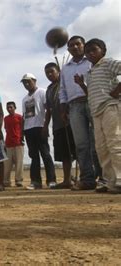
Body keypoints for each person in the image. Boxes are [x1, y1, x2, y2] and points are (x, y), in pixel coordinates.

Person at [59, 35, 103, 191]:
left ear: (84, 45)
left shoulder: (92, 62)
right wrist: (63, 108)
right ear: (68, 49)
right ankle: (87, 180)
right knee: (81, 144)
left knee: (98, 141)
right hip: (74, 106)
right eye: (71, 46)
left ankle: (104, 178)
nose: (75, 47)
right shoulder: (65, 68)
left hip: (93, 102)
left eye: (78, 44)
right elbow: (63, 89)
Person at [78, 38, 120, 194]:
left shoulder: (108, 63)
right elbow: (91, 94)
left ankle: (120, 180)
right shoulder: (89, 72)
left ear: (103, 51)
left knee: (115, 143)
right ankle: (111, 182)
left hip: (110, 107)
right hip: (96, 112)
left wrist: (117, 90)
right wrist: (82, 85)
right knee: (101, 148)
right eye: (87, 52)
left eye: (94, 50)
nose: (90, 53)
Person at [43, 63, 76, 189]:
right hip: (58, 125)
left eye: (52, 71)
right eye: (47, 73)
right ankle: (67, 180)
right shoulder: (49, 89)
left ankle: (84, 178)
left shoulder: (66, 83)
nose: (49, 75)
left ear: (59, 71)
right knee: (64, 154)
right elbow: (49, 110)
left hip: (70, 122)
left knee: (76, 150)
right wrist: (46, 125)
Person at [21, 73, 56, 190]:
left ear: (34, 81)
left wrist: (46, 126)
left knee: (45, 154)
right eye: (24, 82)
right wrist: (23, 131)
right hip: (28, 129)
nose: (26, 84)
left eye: (28, 81)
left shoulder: (42, 92)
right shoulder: (24, 99)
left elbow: (48, 109)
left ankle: (51, 180)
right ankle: (36, 181)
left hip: (40, 127)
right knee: (34, 156)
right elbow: (24, 116)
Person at [3, 102, 24, 187]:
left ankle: (18, 180)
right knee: (7, 165)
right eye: (8, 107)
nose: (9, 109)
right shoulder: (5, 118)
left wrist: (22, 138)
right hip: (8, 143)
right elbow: (6, 129)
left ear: (15, 107)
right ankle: (6, 181)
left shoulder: (20, 117)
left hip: (18, 143)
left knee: (19, 163)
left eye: (11, 107)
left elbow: (23, 129)